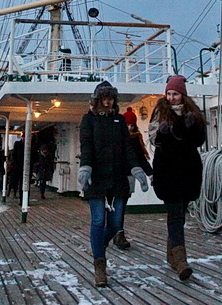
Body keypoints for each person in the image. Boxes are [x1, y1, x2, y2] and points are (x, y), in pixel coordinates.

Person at [78, 81, 148, 288]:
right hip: (97, 178)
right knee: (98, 220)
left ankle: (99, 245)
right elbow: (86, 144)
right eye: (104, 98)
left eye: (110, 99)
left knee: (116, 224)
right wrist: (86, 167)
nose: (108, 102)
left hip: (117, 178)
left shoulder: (119, 120)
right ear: (97, 100)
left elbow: (128, 147)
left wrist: (136, 169)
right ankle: (100, 265)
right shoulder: (88, 120)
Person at [148, 74, 206, 281]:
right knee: (175, 215)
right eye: (169, 94)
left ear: (183, 95)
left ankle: (171, 256)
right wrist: (163, 133)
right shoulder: (160, 112)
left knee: (180, 213)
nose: (171, 98)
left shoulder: (193, 114)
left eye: (175, 94)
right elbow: (155, 139)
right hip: (168, 172)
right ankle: (181, 261)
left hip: (188, 171)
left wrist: (193, 127)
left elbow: (199, 140)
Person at [112, 107, 152, 250]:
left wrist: (150, 174)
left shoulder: (136, 140)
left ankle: (118, 233)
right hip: (114, 176)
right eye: (127, 125)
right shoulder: (117, 138)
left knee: (121, 204)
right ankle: (116, 232)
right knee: (117, 205)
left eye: (132, 125)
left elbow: (140, 159)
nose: (129, 128)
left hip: (129, 176)